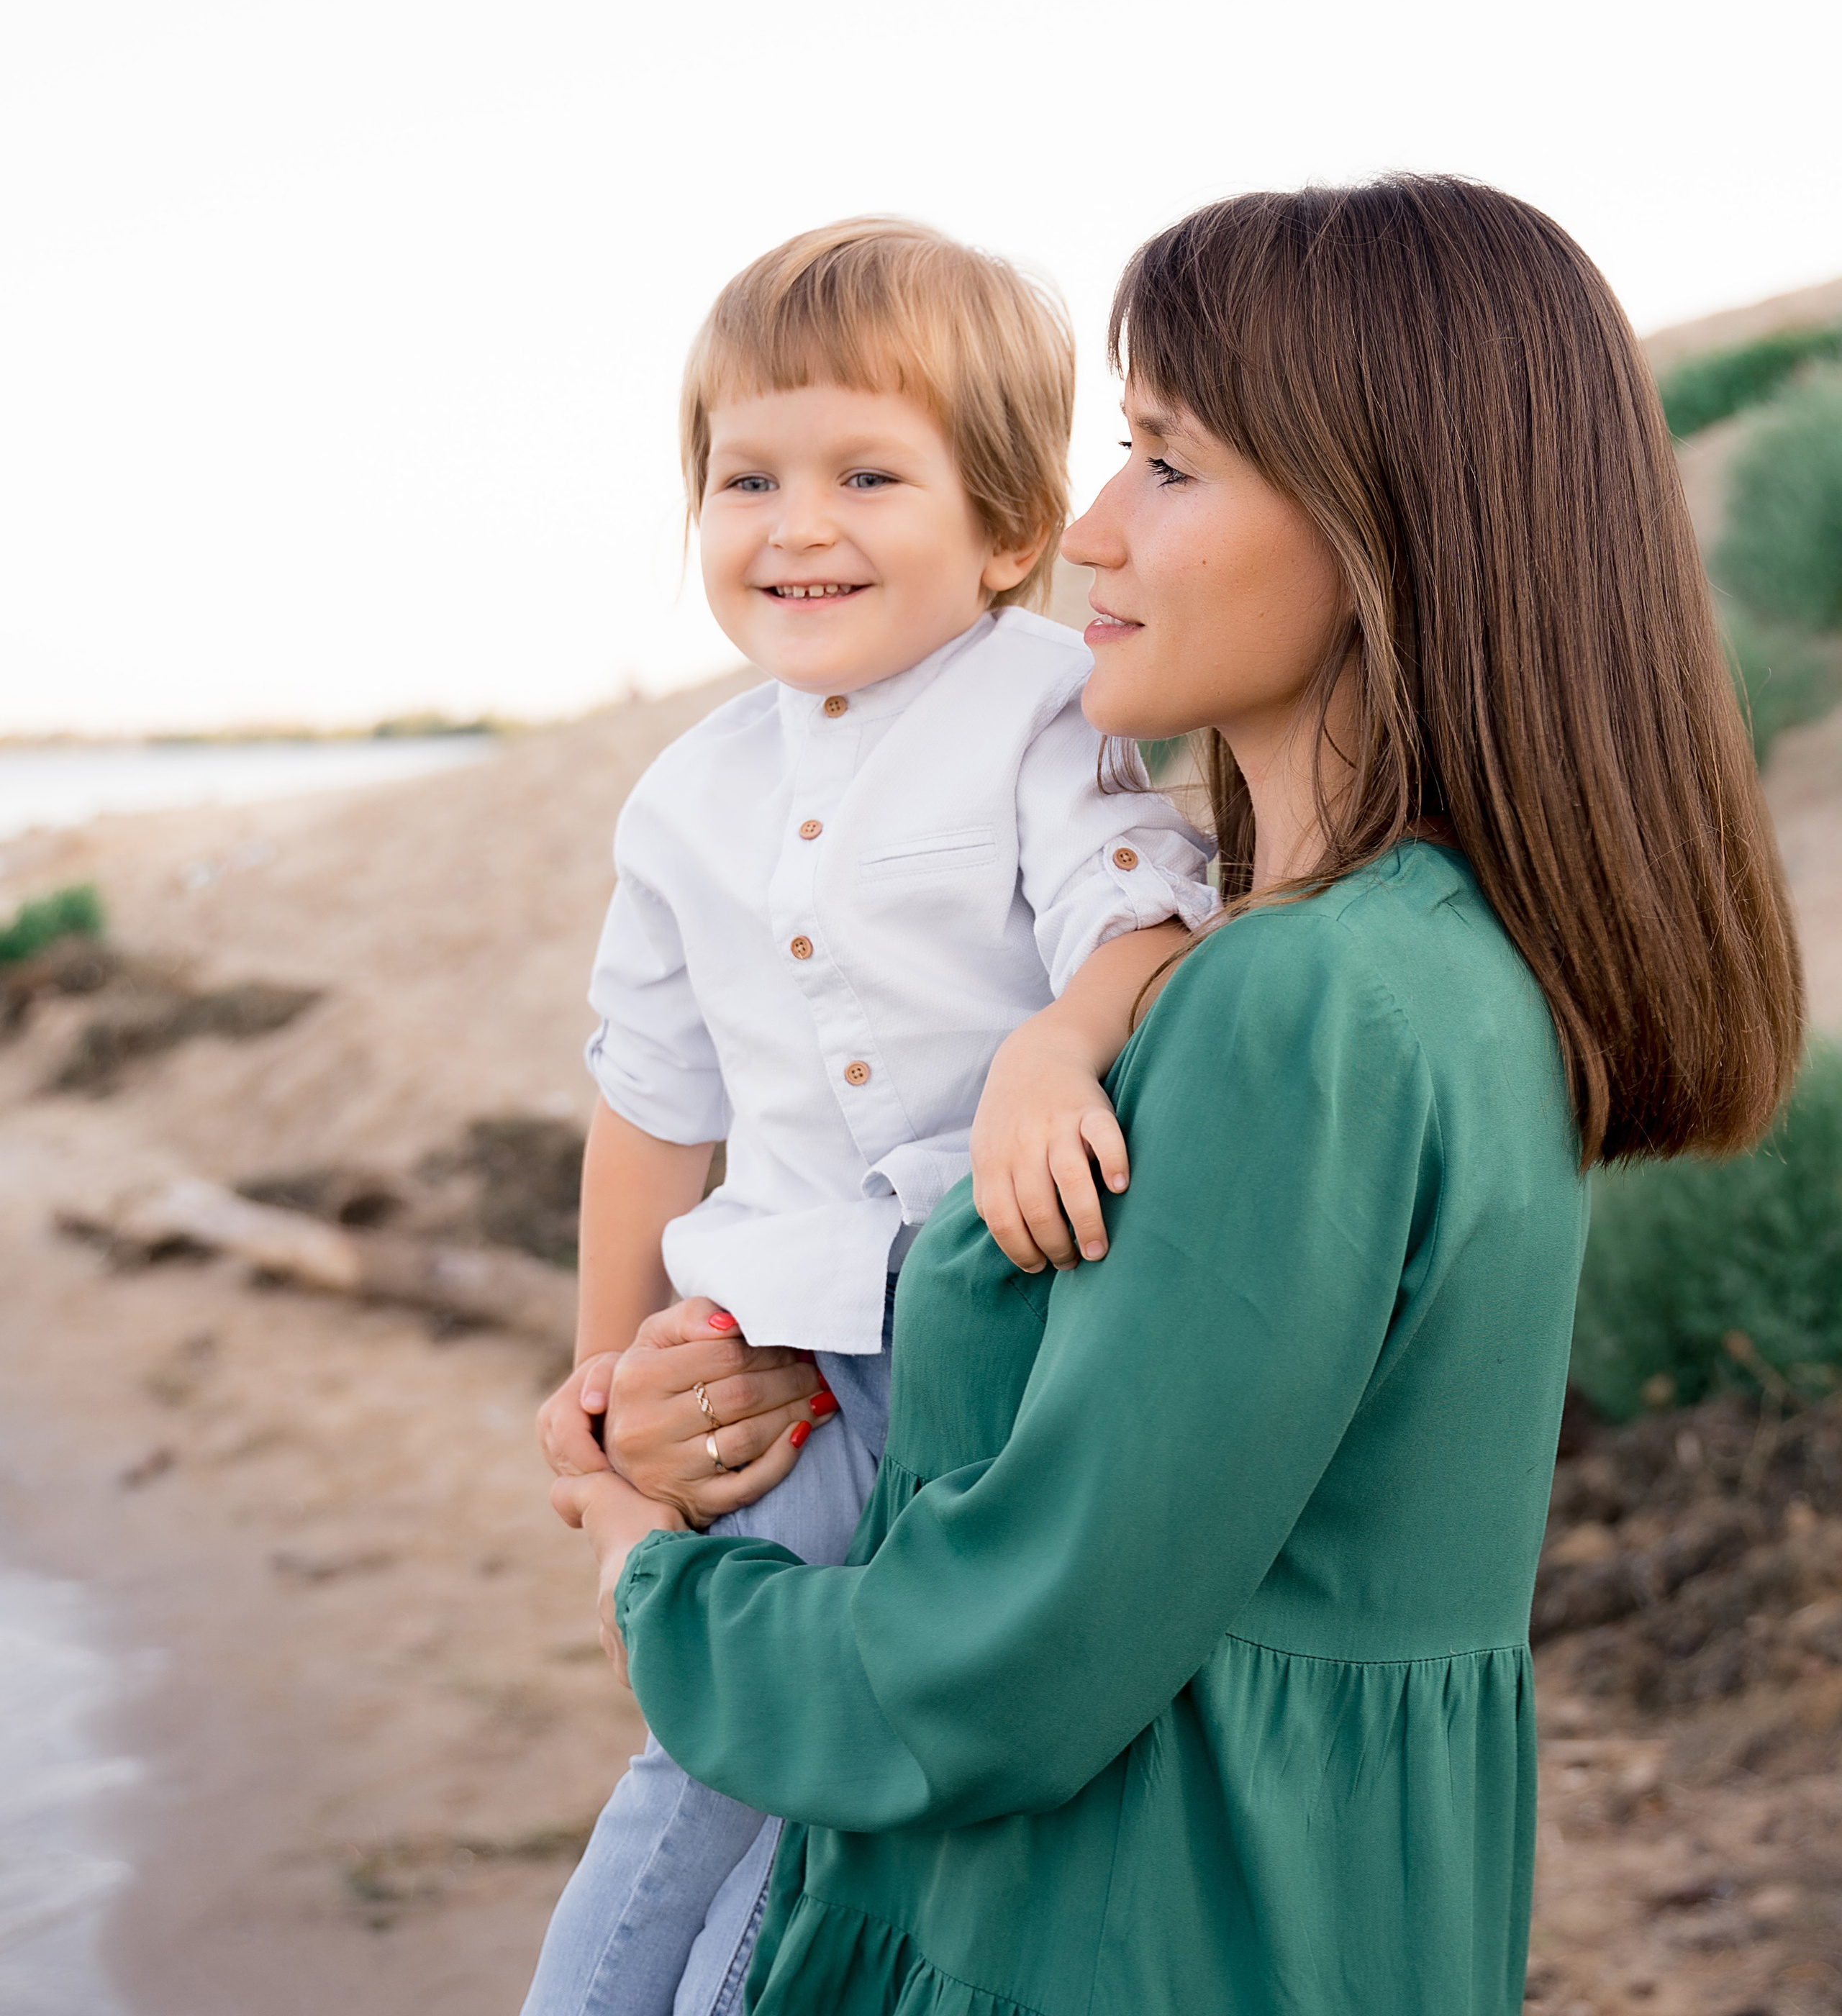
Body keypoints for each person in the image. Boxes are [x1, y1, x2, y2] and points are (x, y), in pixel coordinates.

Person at [555, 176, 1804, 2016]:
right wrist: (674, 1390)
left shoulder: (1296, 1007)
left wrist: (638, 1564)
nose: (1080, 531)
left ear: (1387, 521)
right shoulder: (1430, 964)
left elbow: (1001, 1661)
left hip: (1117, 1934)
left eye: (1164, 461)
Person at [521, 218, 1218, 2016]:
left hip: (1000, 1355)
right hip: (792, 1360)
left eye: (863, 472)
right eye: (742, 475)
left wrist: (1053, 1049)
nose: (793, 522)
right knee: (713, 1747)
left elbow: (1136, 917)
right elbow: (650, 1102)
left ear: (1001, 528)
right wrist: (604, 1397)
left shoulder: (1045, 709)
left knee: (871, 1763)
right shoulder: (686, 795)